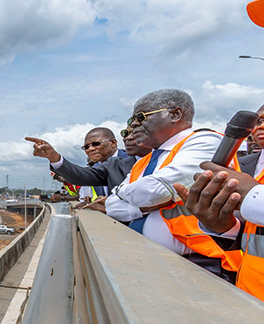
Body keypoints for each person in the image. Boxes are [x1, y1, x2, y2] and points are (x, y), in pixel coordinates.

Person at [105, 89, 239, 280]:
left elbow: (153, 191)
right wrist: (140, 207)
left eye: (140, 117)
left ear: (175, 114)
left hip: (199, 264)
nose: (133, 124)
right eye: (131, 120)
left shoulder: (206, 141)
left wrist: (121, 192)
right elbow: (111, 206)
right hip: (152, 262)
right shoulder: (144, 161)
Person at [172, 104, 264, 299]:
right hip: (249, 293)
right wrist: (225, 227)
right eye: (259, 121)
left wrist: (252, 194)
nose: (261, 126)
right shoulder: (255, 166)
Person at [26, 127, 136, 198]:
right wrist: (53, 156)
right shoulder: (99, 168)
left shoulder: (132, 160)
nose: (90, 149)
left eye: (96, 143)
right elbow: (80, 175)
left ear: (113, 143)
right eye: (86, 147)